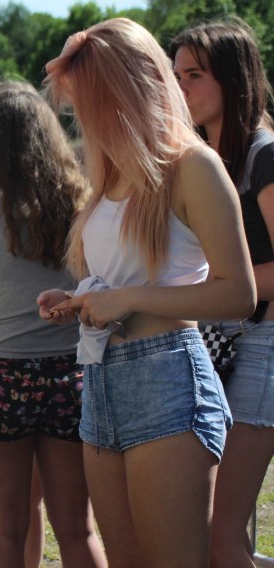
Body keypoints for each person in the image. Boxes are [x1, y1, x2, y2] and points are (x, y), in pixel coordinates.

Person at [37, 18, 256, 567]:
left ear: (129, 91)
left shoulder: (193, 167)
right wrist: (80, 301)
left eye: (89, 102)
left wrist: (129, 299)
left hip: (169, 382)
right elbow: (121, 283)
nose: (81, 119)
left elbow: (238, 294)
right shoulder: (109, 175)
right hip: (102, 380)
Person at [0, 80, 106, 568]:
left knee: (3, 529)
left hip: (2, 374)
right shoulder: (80, 199)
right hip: (72, 373)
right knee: (77, 529)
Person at [170, 19, 274, 568]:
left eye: (193, 76)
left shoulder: (263, 152)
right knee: (224, 528)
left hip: (262, 344)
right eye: (176, 74)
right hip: (226, 340)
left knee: (219, 529)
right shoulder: (212, 154)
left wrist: (223, 284)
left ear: (233, 81)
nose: (180, 88)